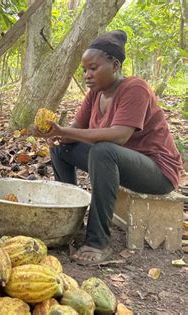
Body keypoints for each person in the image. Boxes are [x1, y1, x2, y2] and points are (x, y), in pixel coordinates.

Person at [34, 30, 183, 265]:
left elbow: (119, 136)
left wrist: (66, 132)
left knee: (103, 150)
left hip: (157, 172)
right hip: (121, 162)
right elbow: (74, 131)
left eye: (93, 68)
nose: (87, 75)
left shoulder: (136, 89)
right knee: (60, 149)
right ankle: (69, 219)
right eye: (84, 70)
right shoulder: (95, 94)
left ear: (115, 65)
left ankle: (98, 241)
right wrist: (54, 133)